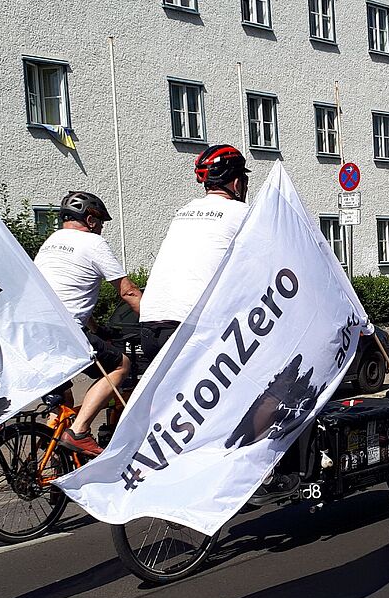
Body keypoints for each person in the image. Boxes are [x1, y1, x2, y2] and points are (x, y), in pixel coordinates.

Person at [33, 191, 143, 456]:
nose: (102, 229)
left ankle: (53, 447)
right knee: (121, 365)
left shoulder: (51, 242)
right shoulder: (93, 243)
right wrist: (155, 319)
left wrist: (97, 329)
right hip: (64, 333)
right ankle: (79, 431)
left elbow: (66, 296)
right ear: (91, 220)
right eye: (101, 223)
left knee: (65, 399)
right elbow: (127, 292)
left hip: (33, 330)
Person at [138, 144, 251, 364]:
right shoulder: (242, 213)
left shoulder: (184, 211)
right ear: (237, 183)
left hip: (151, 326)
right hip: (192, 329)